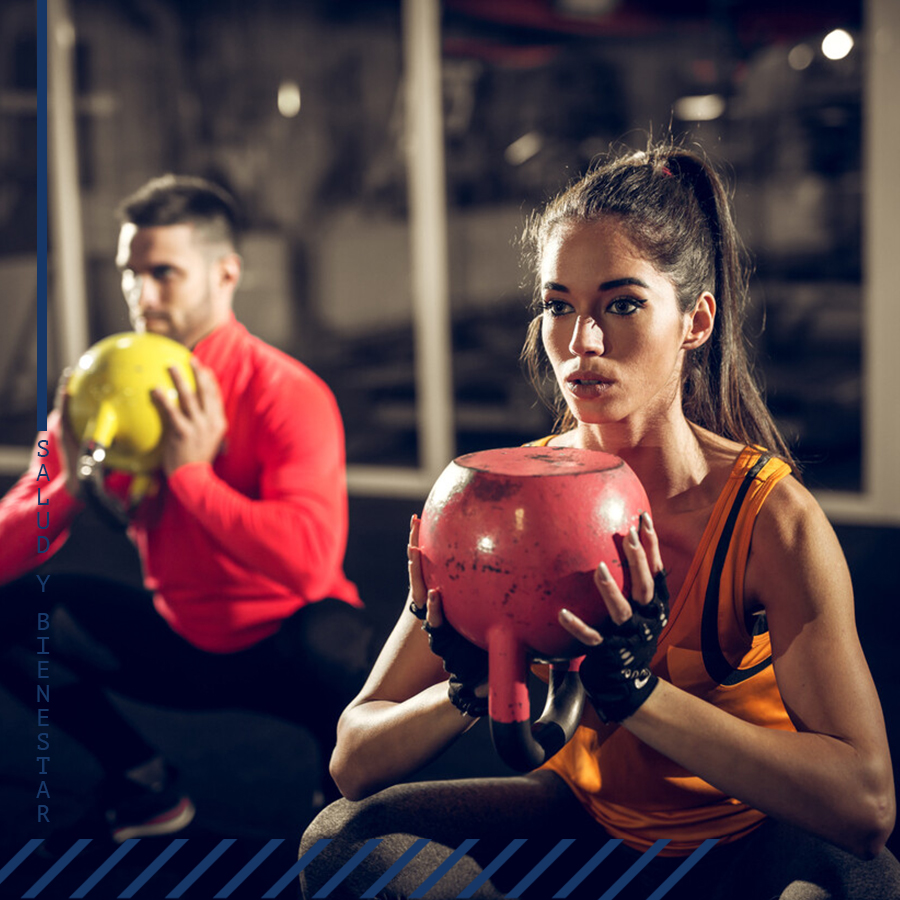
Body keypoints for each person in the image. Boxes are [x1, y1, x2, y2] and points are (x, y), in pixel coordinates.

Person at [297, 143, 900, 900]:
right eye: (559, 306)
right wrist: (467, 687)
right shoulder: (501, 503)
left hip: (750, 836)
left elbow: (866, 804)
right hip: (588, 826)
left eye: (621, 304)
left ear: (696, 321)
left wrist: (636, 693)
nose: (581, 342)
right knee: (342, 841)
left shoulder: (769, 518)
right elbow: (354, 758)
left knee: (864, 881)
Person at [0, 175, 373, 844]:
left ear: (225, 273)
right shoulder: (98, 387)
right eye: (130, 274)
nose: (142, 297)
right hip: (173, 636)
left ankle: (342, 803)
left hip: (283, 650)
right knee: (11, 611)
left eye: (164, 274)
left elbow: (307, 561)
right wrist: (68, 491)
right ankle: (143, 783)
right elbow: (8, 537)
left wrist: (192, 479)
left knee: (339, 637)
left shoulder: (287, 392)